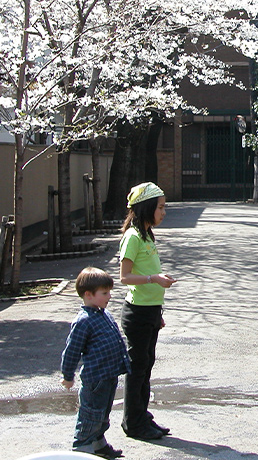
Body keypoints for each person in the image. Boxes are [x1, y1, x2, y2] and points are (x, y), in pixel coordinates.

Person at [117, 182, 176, 441]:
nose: (164, 212)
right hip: (137, 314)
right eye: (160, 207)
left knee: (146, 366)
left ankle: (142, 416)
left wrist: (157, 313)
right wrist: (154, 279)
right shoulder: (132, 237)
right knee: (137, 369)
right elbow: (124, 277)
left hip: (150, 311)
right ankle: (133, 423)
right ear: (146, 207)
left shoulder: (147, 235)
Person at [60, 267, 130, 459]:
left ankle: (99, 445)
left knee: (103, 414)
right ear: (88, 295)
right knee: (91, 415)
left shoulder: (103, 314)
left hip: (109, 376)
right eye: (104, 293)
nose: (109, 296)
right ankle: (81, 449)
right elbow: (72, 351)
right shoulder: (83, 321)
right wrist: (67, 376)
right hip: (95, 379)